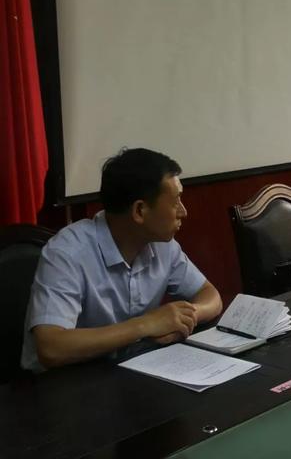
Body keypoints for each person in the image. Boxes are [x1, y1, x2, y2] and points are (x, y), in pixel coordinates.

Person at [21, 148, 223, 371]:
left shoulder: (162, 245)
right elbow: (51, 347)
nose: (183, 212)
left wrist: (181, 319)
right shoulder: (67, 253)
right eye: (175, 202)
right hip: (61, 382)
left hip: (126, 369)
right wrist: (146, 325)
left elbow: (210, 296)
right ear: (140, 211)